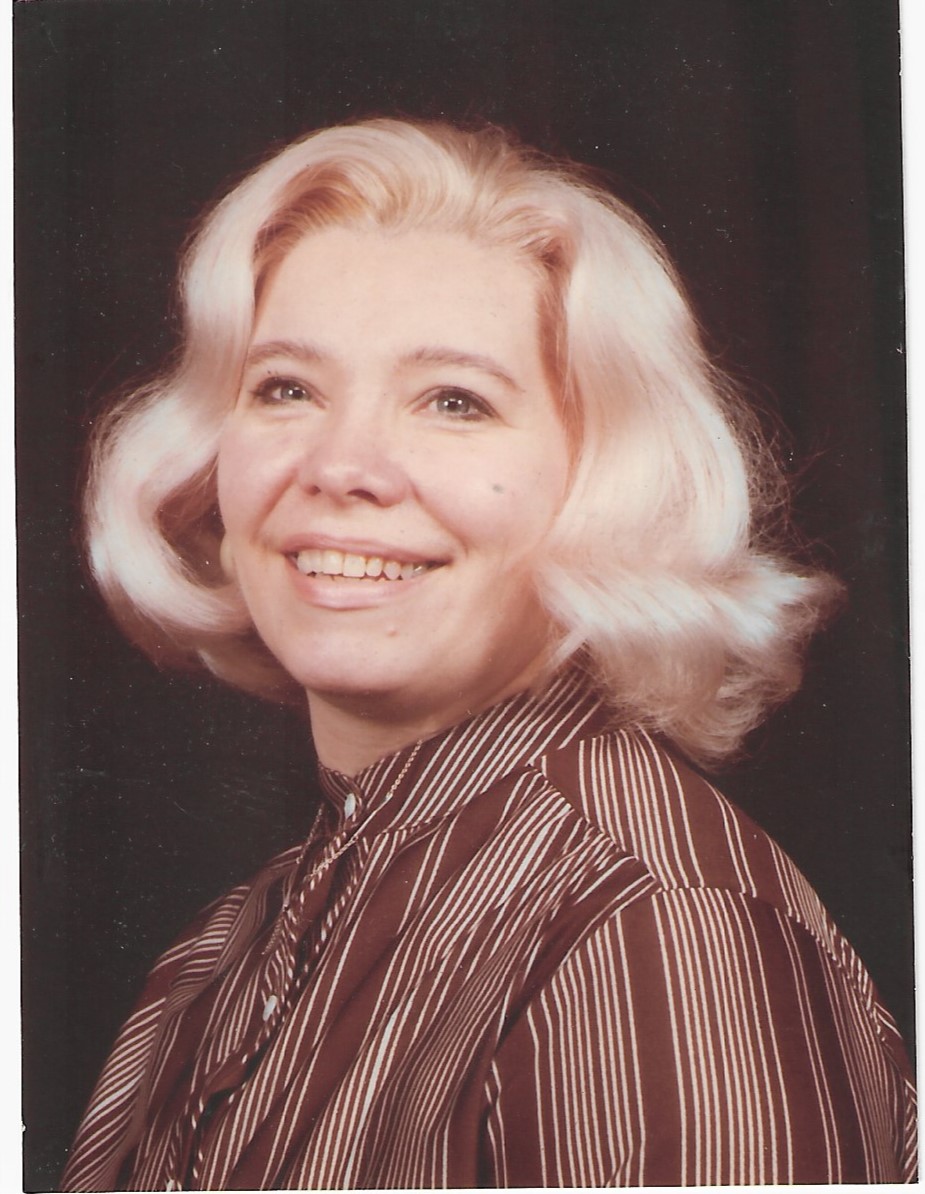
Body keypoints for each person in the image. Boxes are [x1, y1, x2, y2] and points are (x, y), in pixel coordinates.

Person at [61, 118, 915, 1190]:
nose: (341, 466)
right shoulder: (221, 952)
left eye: (453, 402)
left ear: (606, 485)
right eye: (286, 388)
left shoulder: (657, 929)